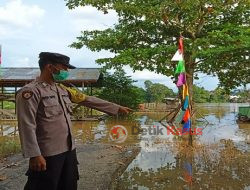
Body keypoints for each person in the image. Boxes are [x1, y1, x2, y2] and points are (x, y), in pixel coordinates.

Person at [16, 52, 132, 190]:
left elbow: (87, 99)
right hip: (47, 153)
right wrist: (34, 154)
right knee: (44, 186)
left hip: (69, 149)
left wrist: (116, 108)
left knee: (68, 185)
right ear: (50, 67)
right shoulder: (30, 92)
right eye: (64, 68)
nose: (66, 72)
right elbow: (26, 125)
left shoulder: (63, 90)